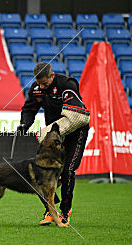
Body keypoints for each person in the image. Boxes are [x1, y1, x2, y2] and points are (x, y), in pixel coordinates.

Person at [17, 62, 90, 227]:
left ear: (52, 76)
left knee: (68, 171)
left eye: (45, 83)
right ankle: (51, 210)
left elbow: (75, 113)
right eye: (39, 83)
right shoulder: (36, 89)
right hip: (53, 136)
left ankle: (65, 211)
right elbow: (29, 109)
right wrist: (24, 124)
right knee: (41, 172)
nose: (41, 87)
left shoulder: (67, 84)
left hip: (76, 133)